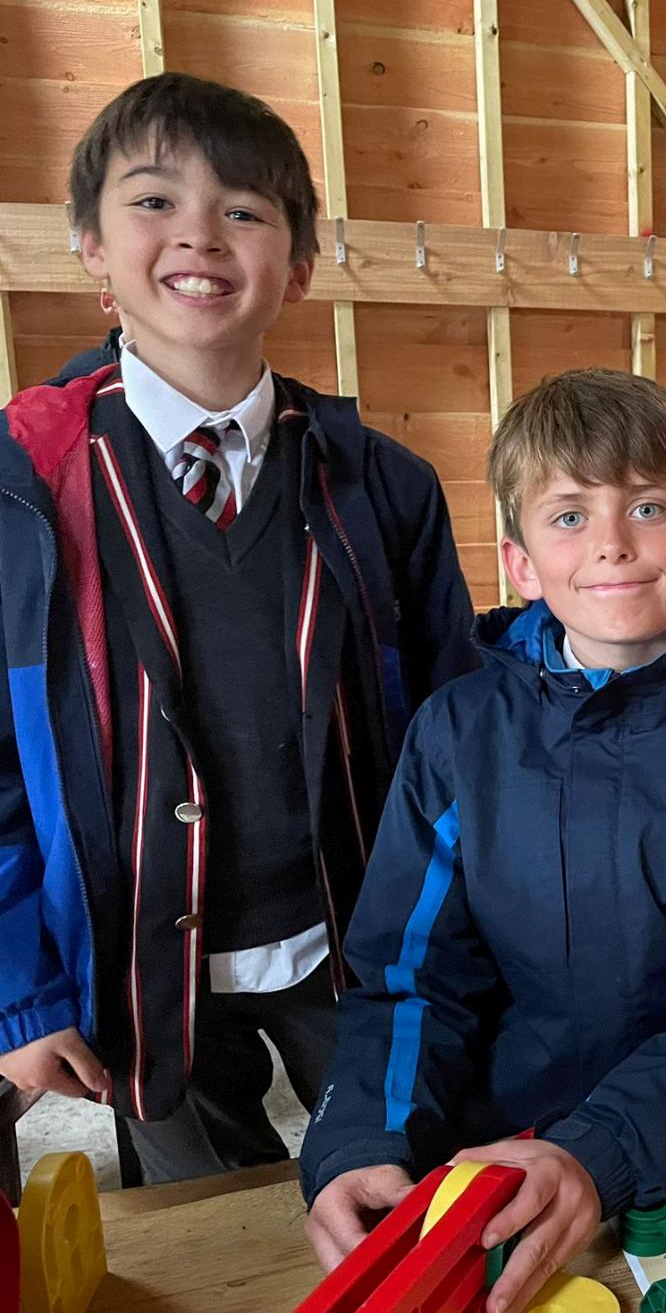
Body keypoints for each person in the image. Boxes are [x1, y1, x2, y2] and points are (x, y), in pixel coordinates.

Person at [300, 369, 666, 1313]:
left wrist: (602, 1149)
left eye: (647, 507)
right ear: (520, 562)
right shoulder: (458, 733)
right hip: (505, 1165)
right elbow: (411, 980)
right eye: (568, 516)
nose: (611, 543)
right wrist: (363, 1140)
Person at [0, 73, 475, 1183]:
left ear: (298, 267)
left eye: (245, 210)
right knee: (201, 1226)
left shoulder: (383, 485)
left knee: (407, 1184)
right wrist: (20, 992)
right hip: (129, 966)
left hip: (356, 949)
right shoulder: (21, 493)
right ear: (89, 244)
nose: (200, 235)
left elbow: (455, 728)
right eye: (153, 201)